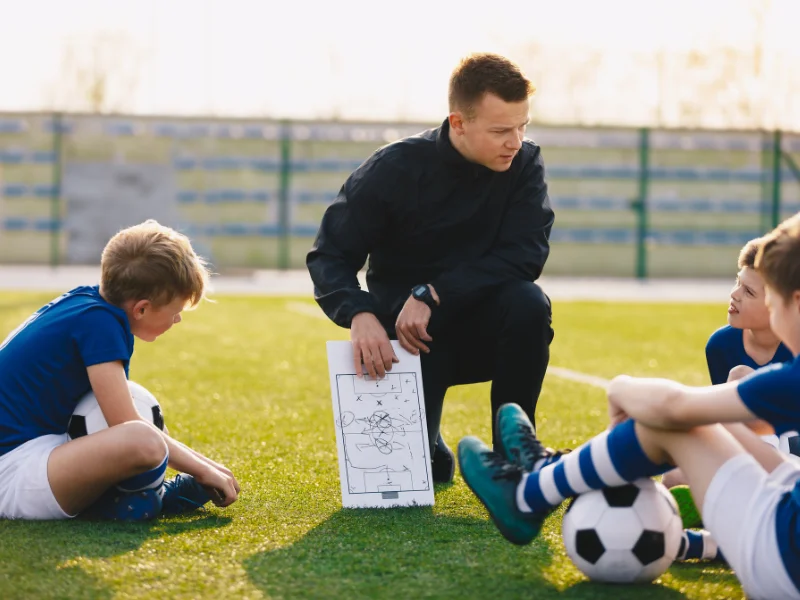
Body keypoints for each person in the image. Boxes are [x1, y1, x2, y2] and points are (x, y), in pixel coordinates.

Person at [458, 213, 800, 599]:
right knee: (712, 420)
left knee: (672, 423)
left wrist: (621, 386)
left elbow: (674, 407)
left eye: (770, 298)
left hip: (788, 561)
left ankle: (530, 492)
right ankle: (544, 476)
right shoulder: (738, 349)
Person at [307, 53, 555, 483]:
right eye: (500, 130)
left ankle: (515, 458)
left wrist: (432, 292)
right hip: (408, 341)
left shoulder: (524, 164)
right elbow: (329, 254)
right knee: (419, 472)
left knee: (529, 303)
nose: (514, 141)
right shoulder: (391, 169)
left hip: (483, 330)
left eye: (522, 126)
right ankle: (429, 440)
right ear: (458, 123)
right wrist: (359, 313)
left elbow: (526, 254)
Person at [0, 220, 240, 521]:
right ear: (141, 309)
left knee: (135, 406)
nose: (177, 320)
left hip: (32, 450)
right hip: (12, 471)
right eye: (175, 312)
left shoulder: (88, 302)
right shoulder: (100, 324)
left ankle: (141, 494)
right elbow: (125, 424)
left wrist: (208, 466)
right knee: (143, 440)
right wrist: (203, 469)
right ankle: (148, 498)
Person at [664, 236, 794, 533]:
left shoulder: (794, 348)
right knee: (672, 478)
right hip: (745, 454)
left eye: (748, 291)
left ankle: (723, 520)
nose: (734, 295)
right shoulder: (720, 345)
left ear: (778, 304)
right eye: (737, 282)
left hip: (788, 462)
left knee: (740, 376)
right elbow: (726, 426)